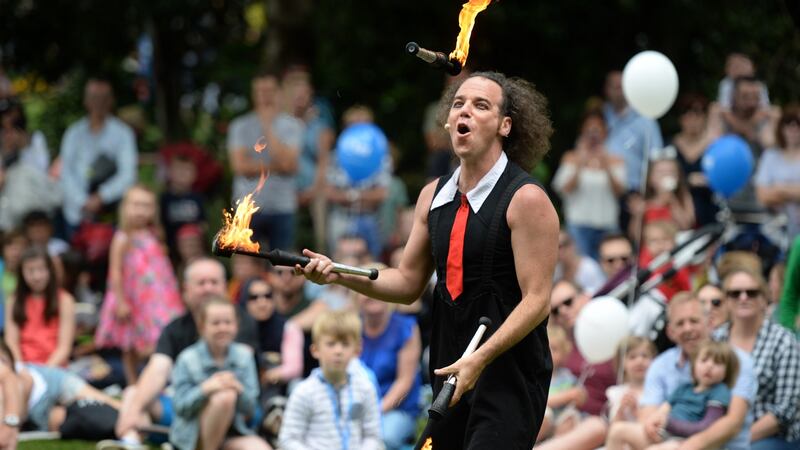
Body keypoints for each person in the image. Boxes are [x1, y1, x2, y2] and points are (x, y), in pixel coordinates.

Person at [299, 71, 558, 448]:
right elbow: (406, 284)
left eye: (480, 105)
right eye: (458, 104)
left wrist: (479, 359)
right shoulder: (431, 196)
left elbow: (537, 300)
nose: (465, 111)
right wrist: (337, 273)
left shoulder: (526, 199)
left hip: (508, 374)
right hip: (449, 365)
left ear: (505, 125)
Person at [112, 258, 256, 448]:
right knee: (133, 393)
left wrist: (221, 385)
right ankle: (131, 440)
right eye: (201, 283)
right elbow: (157, 370)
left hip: (236, 412)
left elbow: (243, 387)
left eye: (214, 282)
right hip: (187, 404)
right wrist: (134, 410)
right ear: (186, 290)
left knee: (224, 396)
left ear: (224, 286)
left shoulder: (240, 321)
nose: (208, 288)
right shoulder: (175, 329)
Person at [634, 292, 757, 450]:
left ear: (709, 323)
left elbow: (732, 423)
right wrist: (652, 427)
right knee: (621, 432)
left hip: (721, 447)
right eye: (680, 323)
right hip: (665, 442)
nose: (688, 328)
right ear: (670, 332)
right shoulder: (660, 365)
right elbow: (648, 415)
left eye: (694, 321)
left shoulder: (737, 360)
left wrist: (686, 447)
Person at [94, 185, 185, 385]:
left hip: (158, 298)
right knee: (131, 344)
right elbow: (116, 271)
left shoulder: (155, 233)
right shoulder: (122, 238)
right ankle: (133, 383)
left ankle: (157, 380)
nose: (141, 211)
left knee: (162, 336)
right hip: (134, 298)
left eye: (146, 206)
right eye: (136, 205)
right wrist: (120, 301)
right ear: (125, 208)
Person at [711, 268, 800, 449]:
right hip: (717, 431)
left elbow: (785, 411)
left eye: (751, 293)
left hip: (772, 437)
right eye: (735, 294)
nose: (743, 298)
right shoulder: (715, 339)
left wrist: (734, 440)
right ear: (726, 301)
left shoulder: (784, 341)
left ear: (763, 298)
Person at [170, 298, 271, 450]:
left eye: (228, 322)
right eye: (215, 323)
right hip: (193, 438)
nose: (222, 328)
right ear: (202, 327)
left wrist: (238, 388)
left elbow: (251, 409)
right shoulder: (187, 359)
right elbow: (180, 407)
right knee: (224, 397)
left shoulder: (244, 356)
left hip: (232, 433)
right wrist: (205, 389)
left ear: (236, 325)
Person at [606, 340, 740, 450]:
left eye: (717, 363)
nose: (709, 366)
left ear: (727, 371)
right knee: (617, 430)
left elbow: (707, 427)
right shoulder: (684, 388)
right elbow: (662, 411)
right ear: (694, 365)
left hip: (684, 442)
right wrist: (652, 424)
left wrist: (669, 424)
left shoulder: (720, 391)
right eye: (704, 360)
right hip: (663, 435)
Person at [279, 310, 381, 450]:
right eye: (331, 344)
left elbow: (373, 436)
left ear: (357, 350)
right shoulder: (304, 392)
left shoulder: (365, 388)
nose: (338, 351)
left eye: (345, 344)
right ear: (315, 350)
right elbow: (288, 440)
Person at [227, 69, 304, 250]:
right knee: (246, 262)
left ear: (278, 93)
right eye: (260, 91)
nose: (265, 97)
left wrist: (268, 127)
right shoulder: (239, 126)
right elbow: (239, 166)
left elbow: (289, 165)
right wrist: (275, 166)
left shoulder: (292, 126)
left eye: (269, 91)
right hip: (248, 207)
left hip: (283, 208)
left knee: (283, 266)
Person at [58, 77, 138, 236]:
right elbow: (65, 172)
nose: (98, 103)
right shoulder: (73, 133)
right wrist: (82, 201)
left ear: (111, 101)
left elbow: (128, 174)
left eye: (103, 98)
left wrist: (102, 197)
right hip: (75, 215)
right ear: (86, 101)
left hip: (111, 214)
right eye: (94, 98)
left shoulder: (123, 134)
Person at [356, 268, 422, 450]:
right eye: (367, 288)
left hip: (396, 409)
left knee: (382, 439)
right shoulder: (351, 327)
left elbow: (405, 382)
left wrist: (375, 411)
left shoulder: (406, 328)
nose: (372, 294)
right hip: (356, 408)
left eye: (378, 288)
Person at [552, 109, 626, 260]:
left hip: (607, 224)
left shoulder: (616, 160)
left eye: (598, 130)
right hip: (579, 225)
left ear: (605, 133)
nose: (594, 135)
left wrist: (607, 165)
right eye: (589, 130)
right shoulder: (571, 157)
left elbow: (621, 192)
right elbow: (563, 189)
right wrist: (580, 163)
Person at [4, 246, 75, 366]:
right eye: (30, 271)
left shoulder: (65, 300)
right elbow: (11, 341)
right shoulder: (14, 300)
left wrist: (44, 372)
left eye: (41, 269)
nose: (37, 276)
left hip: (55, 369)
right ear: (22, 273)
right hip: (23, 369)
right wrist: (21, 368)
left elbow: (64, 348)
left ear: (50, 271)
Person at [671, 94, 722, 227]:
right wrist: (687, 181)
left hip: (710, 207)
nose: (692, 119)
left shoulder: (715, 146)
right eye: (686, 113)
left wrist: (710, 180)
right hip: (679, 210)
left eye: (697, 113)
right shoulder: (670, 146)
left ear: (704, 117)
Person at [754, 105, 800, 244]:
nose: (793, 129)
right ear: (781, 127)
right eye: (788, 123)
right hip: (775, 232)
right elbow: (762, 196)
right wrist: (794, 192)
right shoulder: (770, 156)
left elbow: (769, 191)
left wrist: (779, 188)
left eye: (798, 124)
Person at [538, 324, 585, 442]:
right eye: (545, 348)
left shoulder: (566, 376)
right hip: (543, 416)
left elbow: (580, 396)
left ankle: (556, 444)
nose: (549, 353)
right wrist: (567, 396)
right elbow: (543, 402)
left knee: (571, 417)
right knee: (545, 416)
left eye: (554, 349)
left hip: (560, 416)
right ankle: (533, 443)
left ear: (564, 352)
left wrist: (580, 396)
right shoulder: (537, 376)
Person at [605, 336, 657, 424]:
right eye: (632, 357)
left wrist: (636, 412)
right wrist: (621, 410)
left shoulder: (657, 392)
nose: (639, 361)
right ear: (622, 363)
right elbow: (613, 427)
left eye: (645, 356)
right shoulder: (616, 393)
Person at [553, 230, 606, 294]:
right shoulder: (556, 269)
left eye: (561, 246)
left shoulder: (589, 267)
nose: (558, 251)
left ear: (572, 245)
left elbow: (600, 292)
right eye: (554, 247)